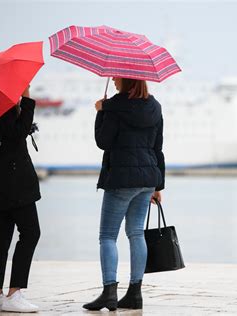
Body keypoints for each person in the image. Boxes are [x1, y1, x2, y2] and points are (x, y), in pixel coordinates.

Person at [83, 77, 165, 311]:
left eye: (116, 76)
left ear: (125, 80)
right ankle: (134, 294)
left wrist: (100, 112)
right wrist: (159, 187)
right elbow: (158, 147)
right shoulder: (154, 107)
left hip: (121, 178)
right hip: (148, 179)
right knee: (136, 233)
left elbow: (103, 141)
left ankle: (109, 293)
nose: (113, 79)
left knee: (108, 236)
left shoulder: (113, 106)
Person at [0, 85, 41, 313]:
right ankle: (14, 293)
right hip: (15, 182)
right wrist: (26, 100)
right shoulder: (1, 109)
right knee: (31, 232)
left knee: (2, 235)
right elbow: (17, 133)